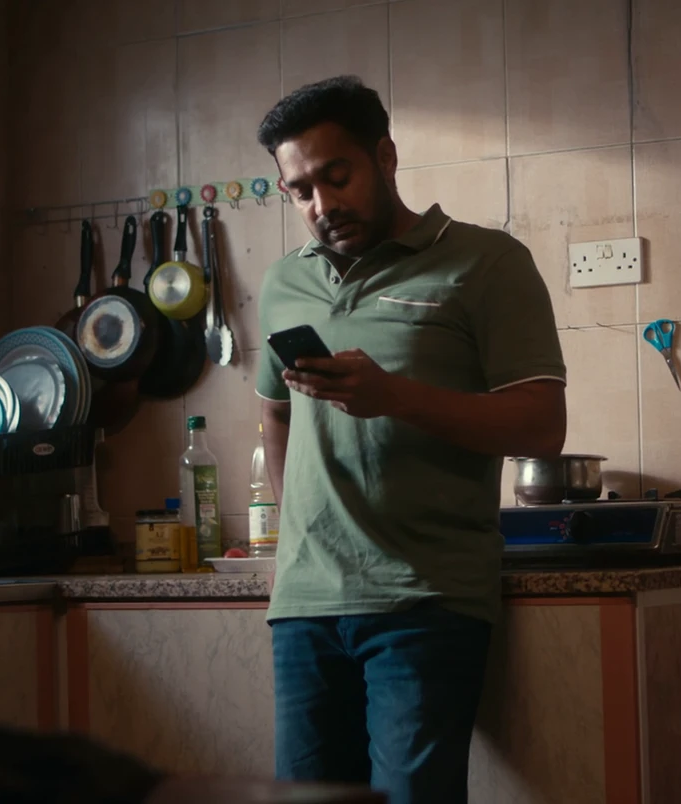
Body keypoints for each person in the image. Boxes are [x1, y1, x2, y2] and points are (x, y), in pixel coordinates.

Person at [252, 76, 568, 804]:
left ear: (386, 157)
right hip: (304, 605)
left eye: (337, 176)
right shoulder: (282, 284)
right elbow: (275, 412)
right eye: (300, 191)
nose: (322, 205)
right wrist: (299, 533)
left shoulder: (486, 262)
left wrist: (394, 397)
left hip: (425, 600)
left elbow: (541, 424)